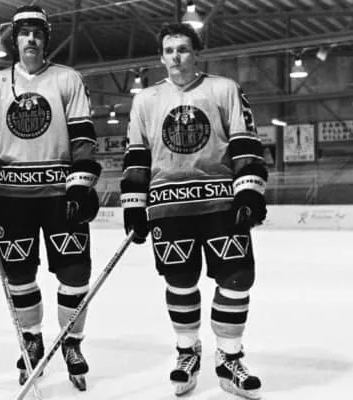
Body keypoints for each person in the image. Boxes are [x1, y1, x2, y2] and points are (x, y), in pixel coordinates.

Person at [121, 23, 267, 399]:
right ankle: (187, 353)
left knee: (237, 278)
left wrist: (249, 191)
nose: (176, 57)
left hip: (220, 202)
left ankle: (229, 358)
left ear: (196, 52)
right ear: (161, 57)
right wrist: (134, 204)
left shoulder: (224, 89)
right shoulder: (146, 100)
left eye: (183, 49)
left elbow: (245, 142)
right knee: (180, 281)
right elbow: (136, 154)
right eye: (169, 50)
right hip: (169, 206)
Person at [0, 5, 101, 391]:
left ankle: (71, 342)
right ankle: (32, 339)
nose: (31, 38)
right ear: (14, 40)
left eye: (37, 32)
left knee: (75, 273)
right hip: (10, 196)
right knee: (19, 275)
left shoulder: (67, 78)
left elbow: (83, 135)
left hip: (60, 194)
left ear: (46, 39)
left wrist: (81, 183)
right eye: (24, 32)